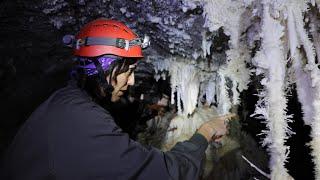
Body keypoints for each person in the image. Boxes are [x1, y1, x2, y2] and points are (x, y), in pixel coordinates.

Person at [1, 18, 234, 180]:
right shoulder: (80, 121)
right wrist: (205, 131)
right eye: (128, 70)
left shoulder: (67, 102)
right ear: (104, 68)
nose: (132, 81)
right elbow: (164, 174)